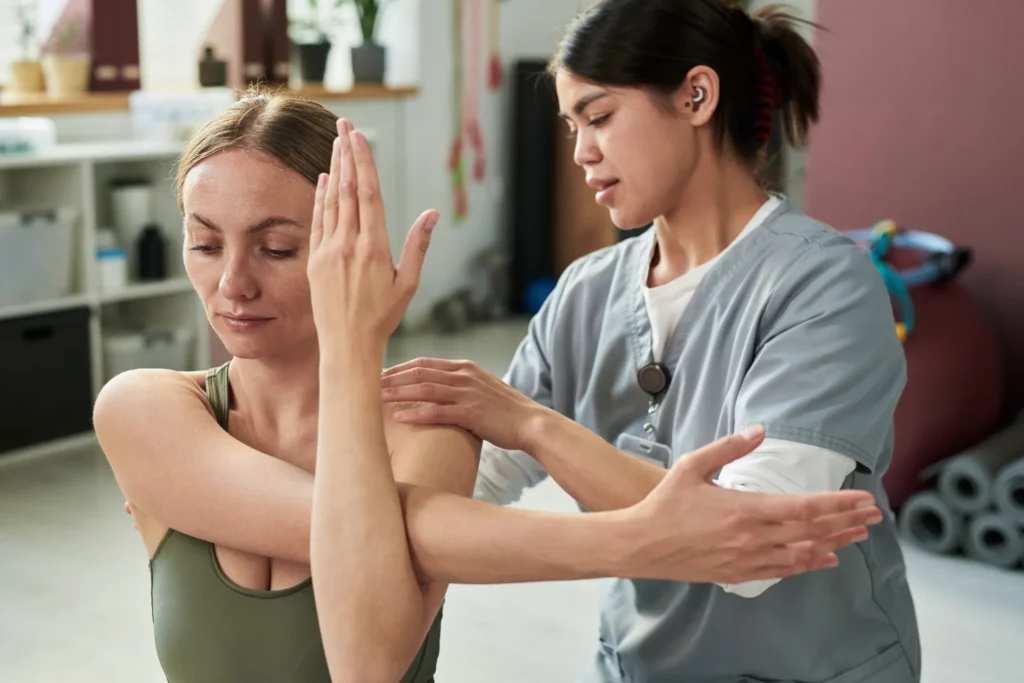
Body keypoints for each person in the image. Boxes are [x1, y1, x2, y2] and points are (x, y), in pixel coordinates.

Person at [95, 90, 881, 683]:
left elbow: (367, 662)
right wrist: (638, 537)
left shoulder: (428, 427)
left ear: (353, 246)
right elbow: (365, 527)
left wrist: (353, 344)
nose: (231, 283)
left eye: (275, 246)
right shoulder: (145, 409)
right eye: (204, 244)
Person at [377, 1, 922, 682]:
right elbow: (477, 476)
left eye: (599, 117)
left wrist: (533, 425)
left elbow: (750, 543)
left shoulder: (825, 285)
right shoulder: (584, 293)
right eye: (572, 127)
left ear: (696, 95)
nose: (580, 152)